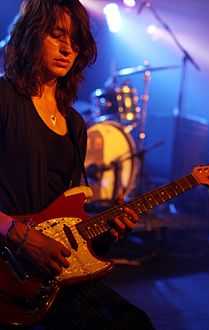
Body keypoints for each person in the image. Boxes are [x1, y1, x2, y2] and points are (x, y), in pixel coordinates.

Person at [0, 0, 155, 329]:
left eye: (76, 41)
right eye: (57, 35)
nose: (68, 48)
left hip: (52, 278)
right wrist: (20, 236)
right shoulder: (4, 99)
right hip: (7, 271)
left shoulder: (75, 125)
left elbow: (67, 217)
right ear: (30, 35)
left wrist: (106, 231)